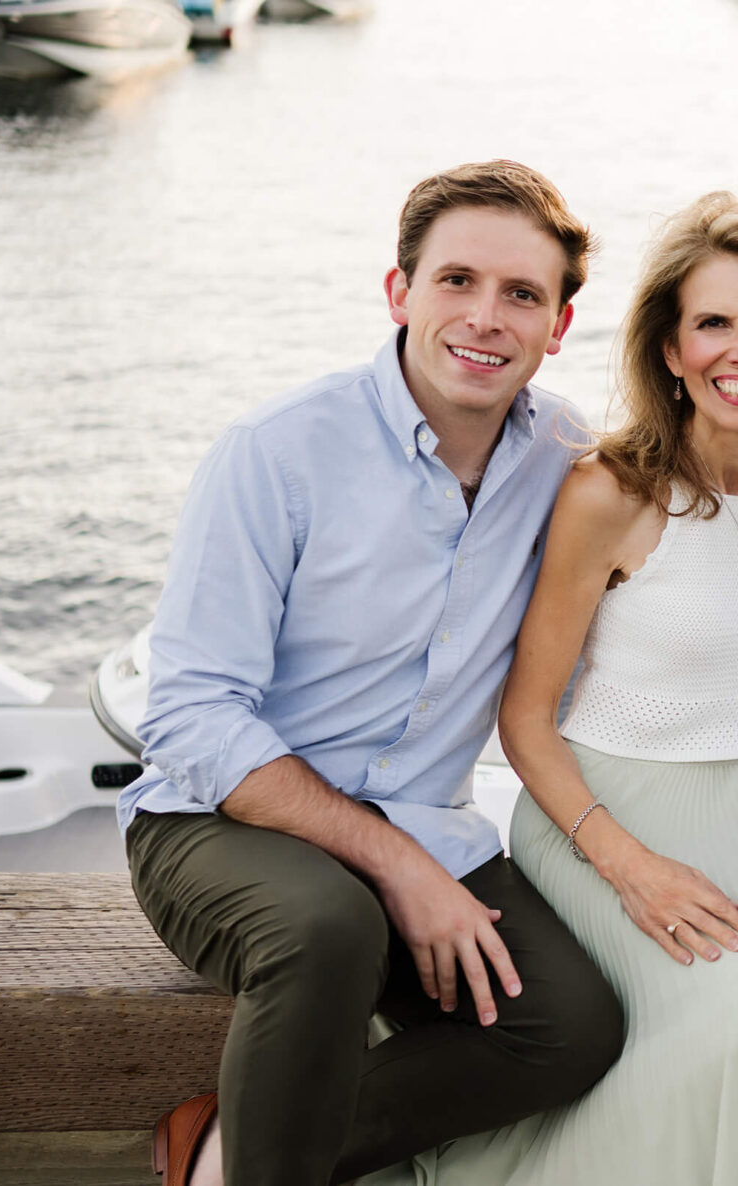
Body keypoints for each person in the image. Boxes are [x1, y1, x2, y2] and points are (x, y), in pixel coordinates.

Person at [118, 160, 624, 1186]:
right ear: (399, 293)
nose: (486, 318)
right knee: (328, 921)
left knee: (569, 1025)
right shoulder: (278, 451)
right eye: (457, 281)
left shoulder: (567, 456)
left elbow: (703, 519)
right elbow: (188, 715)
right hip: (216, 825)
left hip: (424, 825)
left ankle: (229, 1147)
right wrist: (399, 866)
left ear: (558, 326)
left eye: (522, 294)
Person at [364, 193, 738, 1186]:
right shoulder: (612, 491)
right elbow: (526, 718)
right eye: (712, 322)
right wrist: (630, 865)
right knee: (737, 1018)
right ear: (670, 347)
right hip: (600, 814)